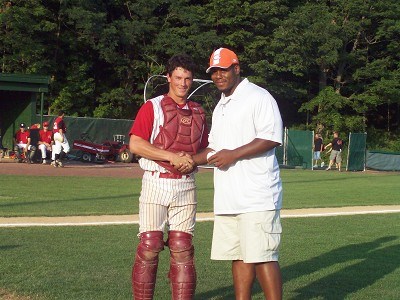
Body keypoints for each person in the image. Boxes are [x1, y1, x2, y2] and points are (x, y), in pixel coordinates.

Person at [193, 47, 284, 300]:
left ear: (236, 68)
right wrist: (190, 161)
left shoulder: (258, 96)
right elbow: (213, 148)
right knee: (239, 255)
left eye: (223, 69)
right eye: (213, 71)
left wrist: (232, 154)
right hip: (228, 196)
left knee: (263, 257)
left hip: (257, 195)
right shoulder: (222, 105)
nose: (218, 76)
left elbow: (271, 138)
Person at [128, 54, 209, 300]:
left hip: (186, 184)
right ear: (168, 78)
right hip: (156, 180)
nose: (183, 83)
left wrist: (192, 160)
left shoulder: (199, 112)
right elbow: (135, 144)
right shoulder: (152, 106)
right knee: (150, 246)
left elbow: (206, 149)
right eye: (178, 78)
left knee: (183, 249)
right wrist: (171, 157)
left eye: (187, 78)